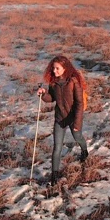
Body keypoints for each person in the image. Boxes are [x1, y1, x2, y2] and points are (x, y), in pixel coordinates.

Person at [37, 55, 89, 185]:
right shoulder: (53, 82)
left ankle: (84, 150)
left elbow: (79, 104)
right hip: (59, 119)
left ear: (65, 68)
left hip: (72, 118)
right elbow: (51, 98)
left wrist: (77, 123)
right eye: (53, 68)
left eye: (57, 68)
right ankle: (54, 176)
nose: (54, 71)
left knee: (78, 137)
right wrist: (43, 94)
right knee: (57, 147)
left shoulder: (73, 81)